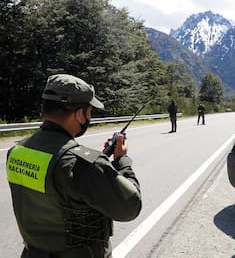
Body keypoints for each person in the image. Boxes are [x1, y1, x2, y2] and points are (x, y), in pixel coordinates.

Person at [6, 74, 142, 258]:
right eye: (89, 112)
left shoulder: (17, 150)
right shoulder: (81, 164)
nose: (90, 117)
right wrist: (121, 161)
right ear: (79, 114)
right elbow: (130, 207)